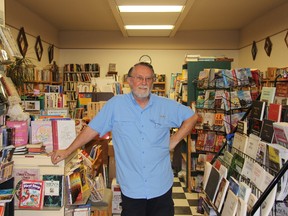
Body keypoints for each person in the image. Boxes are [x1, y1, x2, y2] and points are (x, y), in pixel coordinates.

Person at [50, 62, 198, 216]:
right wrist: (67, 151)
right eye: (139, 78)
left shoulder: (165, 105)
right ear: (129, 80)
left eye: (148, 79)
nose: (144, 82)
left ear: (153, 81)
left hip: (160, 186)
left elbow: (192, 117)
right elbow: (91, 129)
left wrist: (174, 140)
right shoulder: (115, 105)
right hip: (132, 187)